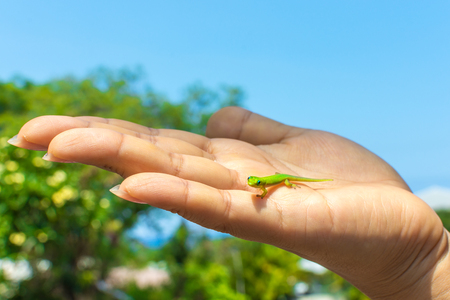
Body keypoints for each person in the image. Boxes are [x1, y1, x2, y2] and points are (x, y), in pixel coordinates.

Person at [8, 106, 450, 299]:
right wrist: (416, 268)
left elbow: (271, 184)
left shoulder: (270, 182)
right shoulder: (259, 182)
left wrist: (425, 265)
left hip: (289, 180)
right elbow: (259, 184)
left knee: (295, 182)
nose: (255, 185)